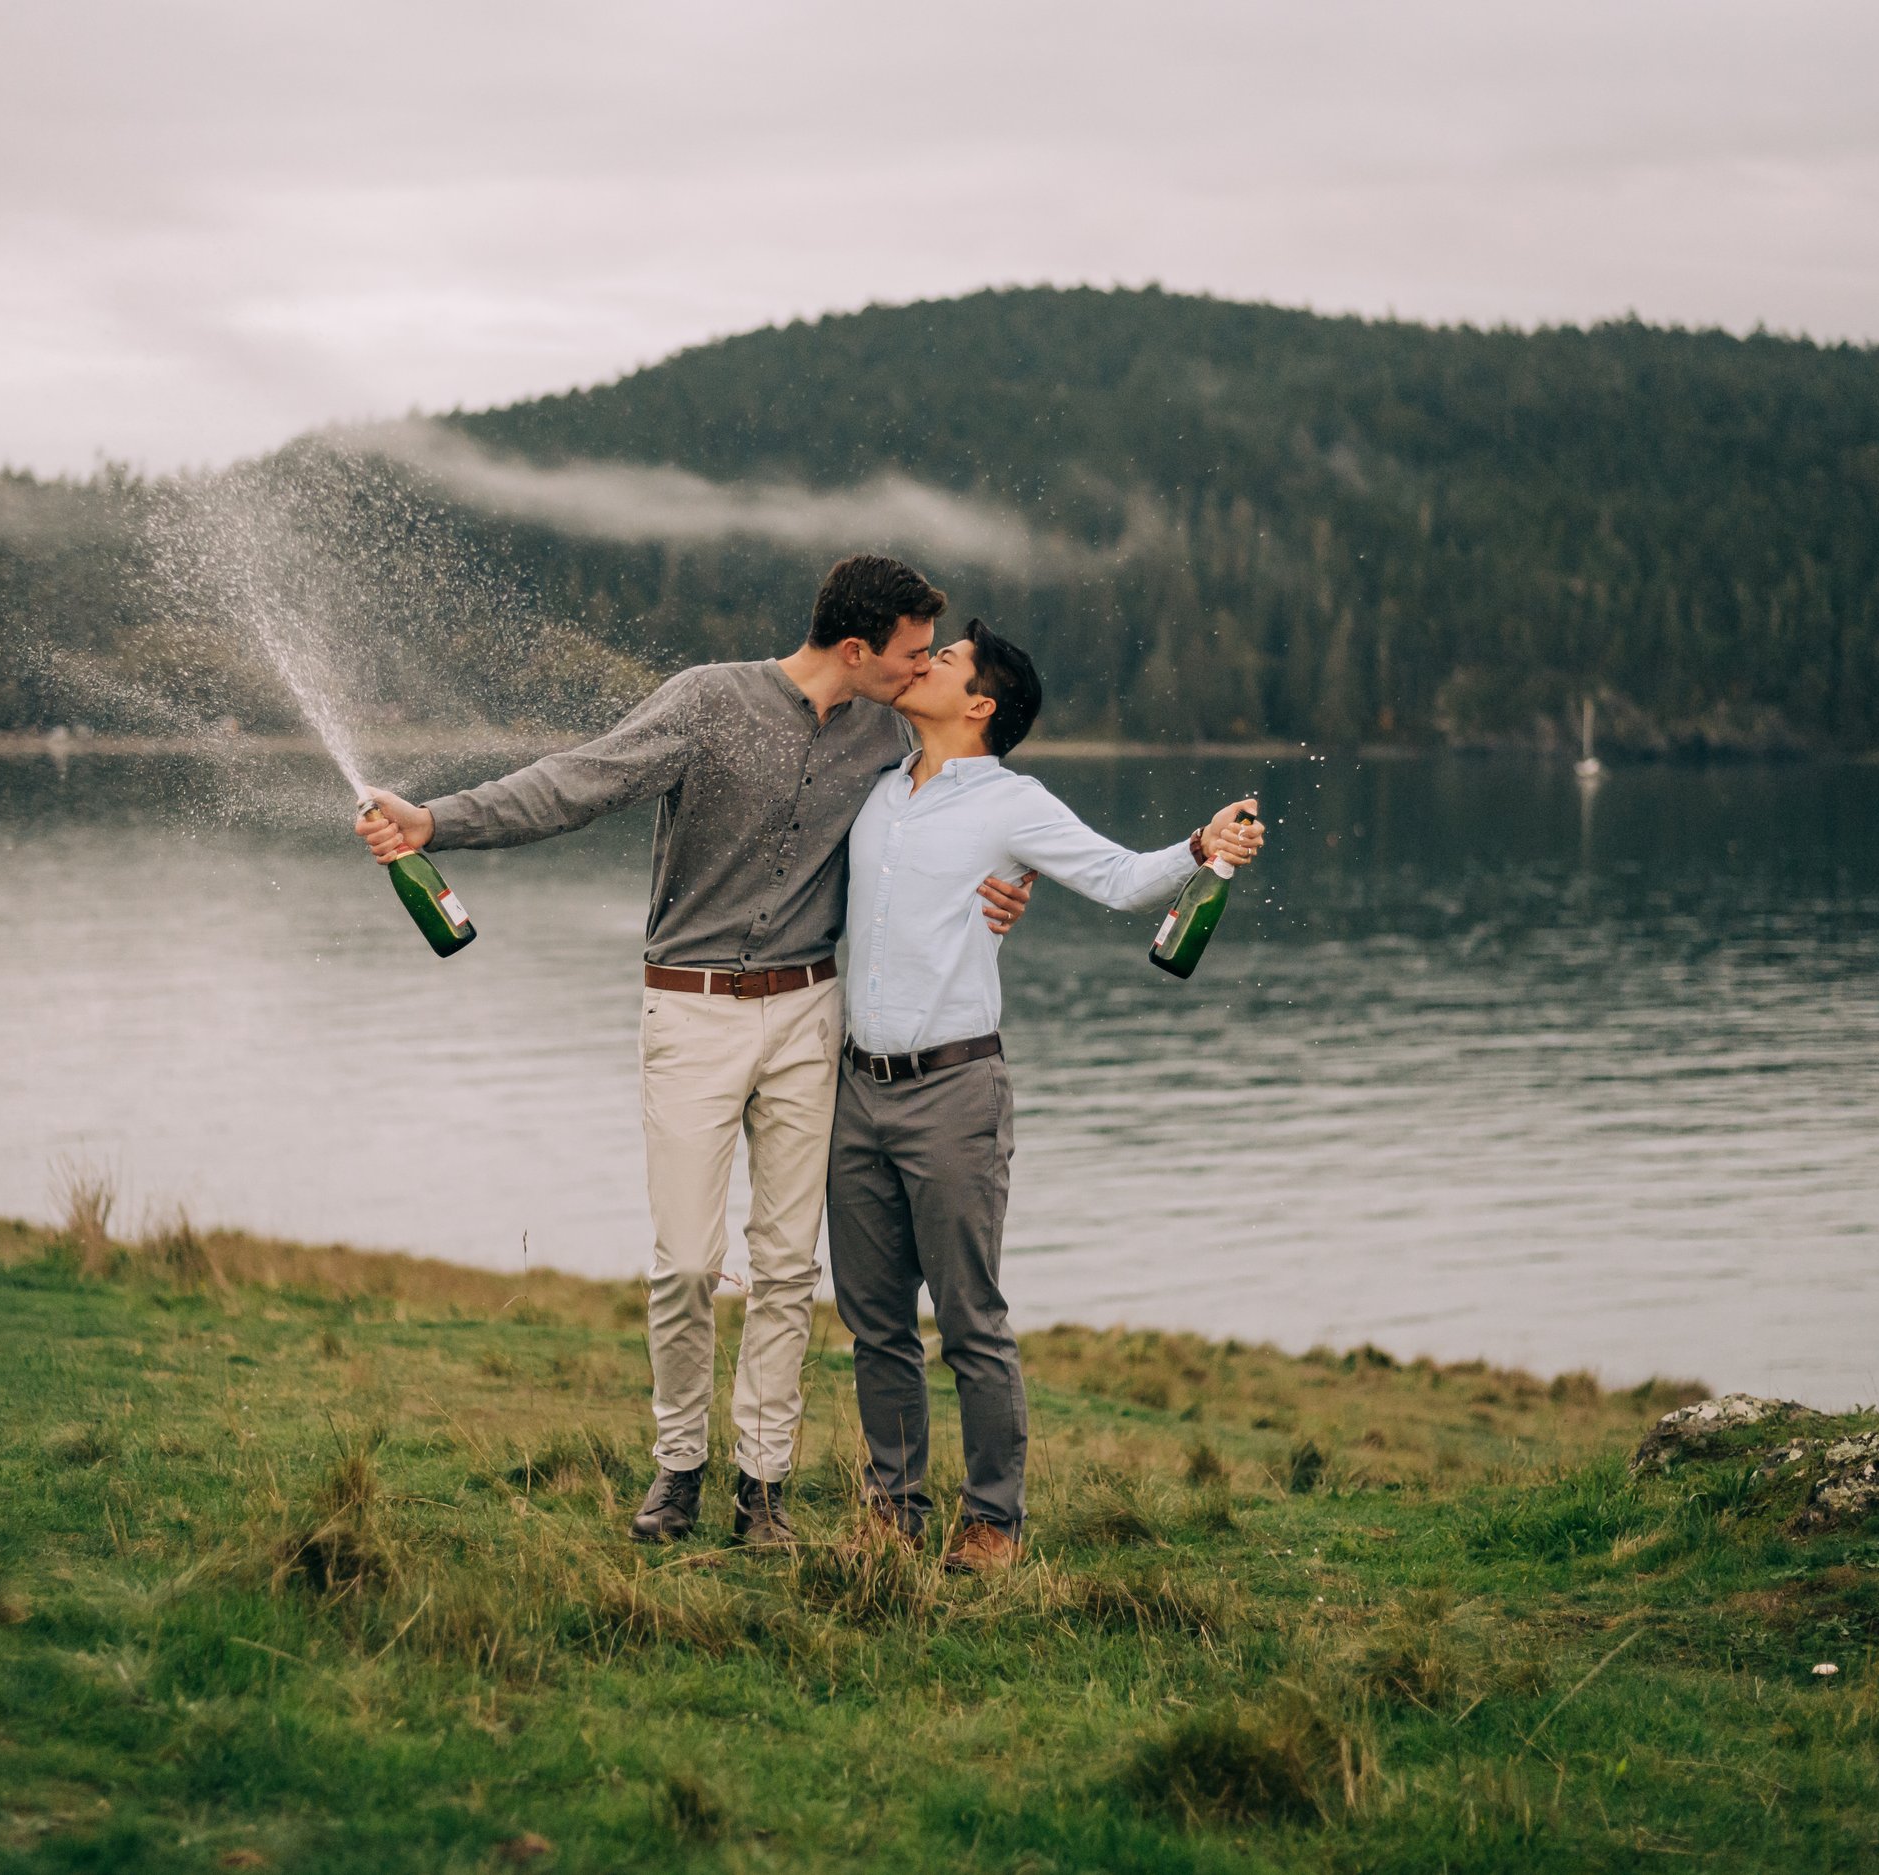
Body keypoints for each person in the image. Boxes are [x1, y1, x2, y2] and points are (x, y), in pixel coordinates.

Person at [354, 556, 1033, 1547]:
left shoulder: (893, 735)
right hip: (690, 1011)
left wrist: (1012, 883)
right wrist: (437, 822)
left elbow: (971, 808)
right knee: (684, 1263)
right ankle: (678, 1468)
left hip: (809, 1017)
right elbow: (574, 783)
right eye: (912, 652)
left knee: (787, 1269)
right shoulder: (707, 704)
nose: (922, 669)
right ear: (858, 650)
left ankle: (764, 1490)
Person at [828, 618, 1260, 1571]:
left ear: (979, 704)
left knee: (969, 1318)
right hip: (855, 1092)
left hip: (953, 1091)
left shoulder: (1014, 804)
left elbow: (1117, 879)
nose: (924, 662)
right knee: (875, 1323)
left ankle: (993, 1524)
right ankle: (892, 1511)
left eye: (942, 659)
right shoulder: (876, 788)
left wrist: (1201, 844)